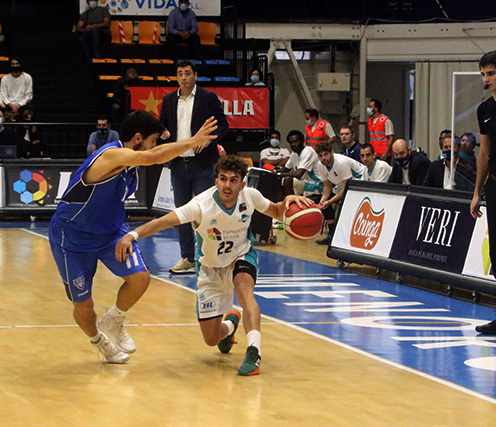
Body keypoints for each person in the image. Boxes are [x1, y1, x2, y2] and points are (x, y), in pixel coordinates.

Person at [48, 110, 218, 364]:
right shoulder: (110, 155)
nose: (155, 146)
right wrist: (192, 141)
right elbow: (152, 157)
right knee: (83, 306)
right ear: (138, 139)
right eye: (152, 140)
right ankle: (99, 341)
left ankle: (114, 319)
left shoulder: (130, 164)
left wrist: (164, 132)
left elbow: (154, 151)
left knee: (140, 278)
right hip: (72, 237)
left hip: (109, 233)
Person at [116, 155, 312, 375]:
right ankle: (230, 325)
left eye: (233, 180)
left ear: (242, 184)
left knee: (245, 291)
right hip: (209, 268)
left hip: (240, 256)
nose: (227, 185)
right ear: (216, 181)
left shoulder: (251, 197)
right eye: (223, 179)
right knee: (211, 339)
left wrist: (288, 202)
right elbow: (162, 222)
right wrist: (132, 235)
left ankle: (254, 351)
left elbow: (276, 210)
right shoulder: (200, 205)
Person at [159, 59, 229, 274]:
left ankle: (209, 257)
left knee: (206, 212)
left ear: (195, 75)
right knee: (181, 212)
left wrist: (209, 140)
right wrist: (163, 136)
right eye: (180, 73)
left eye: (187, 73)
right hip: (179, 163)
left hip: (202, 164)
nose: (183, 77)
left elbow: (223, 124)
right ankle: (188, 257)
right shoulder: (169, 99)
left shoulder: (208, 98)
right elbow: (162, 126)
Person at [472, 50, 496, 335]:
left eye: (490, 73)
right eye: (483, 74)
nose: (486, 79)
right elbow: (485, 152)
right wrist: (477, 191)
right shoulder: (485, 110)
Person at [315, 141, 367, 245]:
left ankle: (347, 236)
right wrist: (323, 201)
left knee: (342, 202)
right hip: (342, 185)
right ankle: (332, 233)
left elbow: (348, 187)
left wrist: (330, 201)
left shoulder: (341, 163)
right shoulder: (320, 165)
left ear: (331, 153)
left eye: (325, 154)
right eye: (320, 156)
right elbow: (327, 186)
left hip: (359, 183)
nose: (323, 158)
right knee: (323, 203)